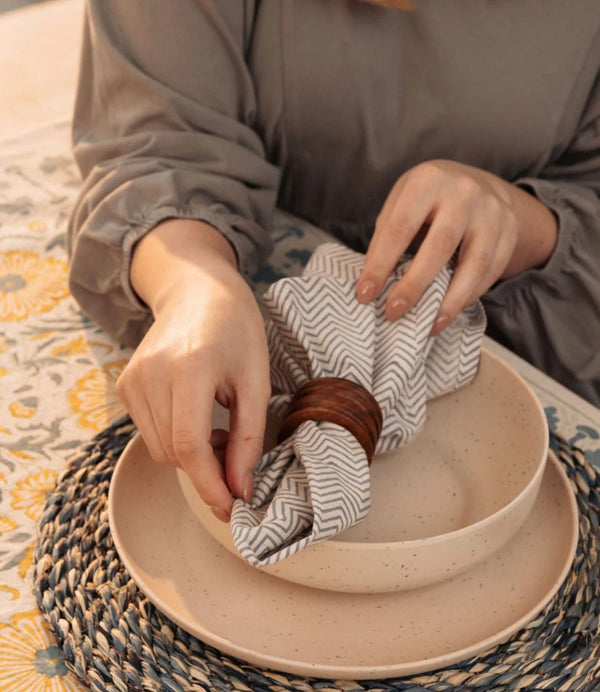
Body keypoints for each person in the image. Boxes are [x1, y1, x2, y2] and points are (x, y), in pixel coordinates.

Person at [67, 0, 600, 522]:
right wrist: (194, 287)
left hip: (521, 336)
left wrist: (521, 220)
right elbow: (157, 142)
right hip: (240, 337)